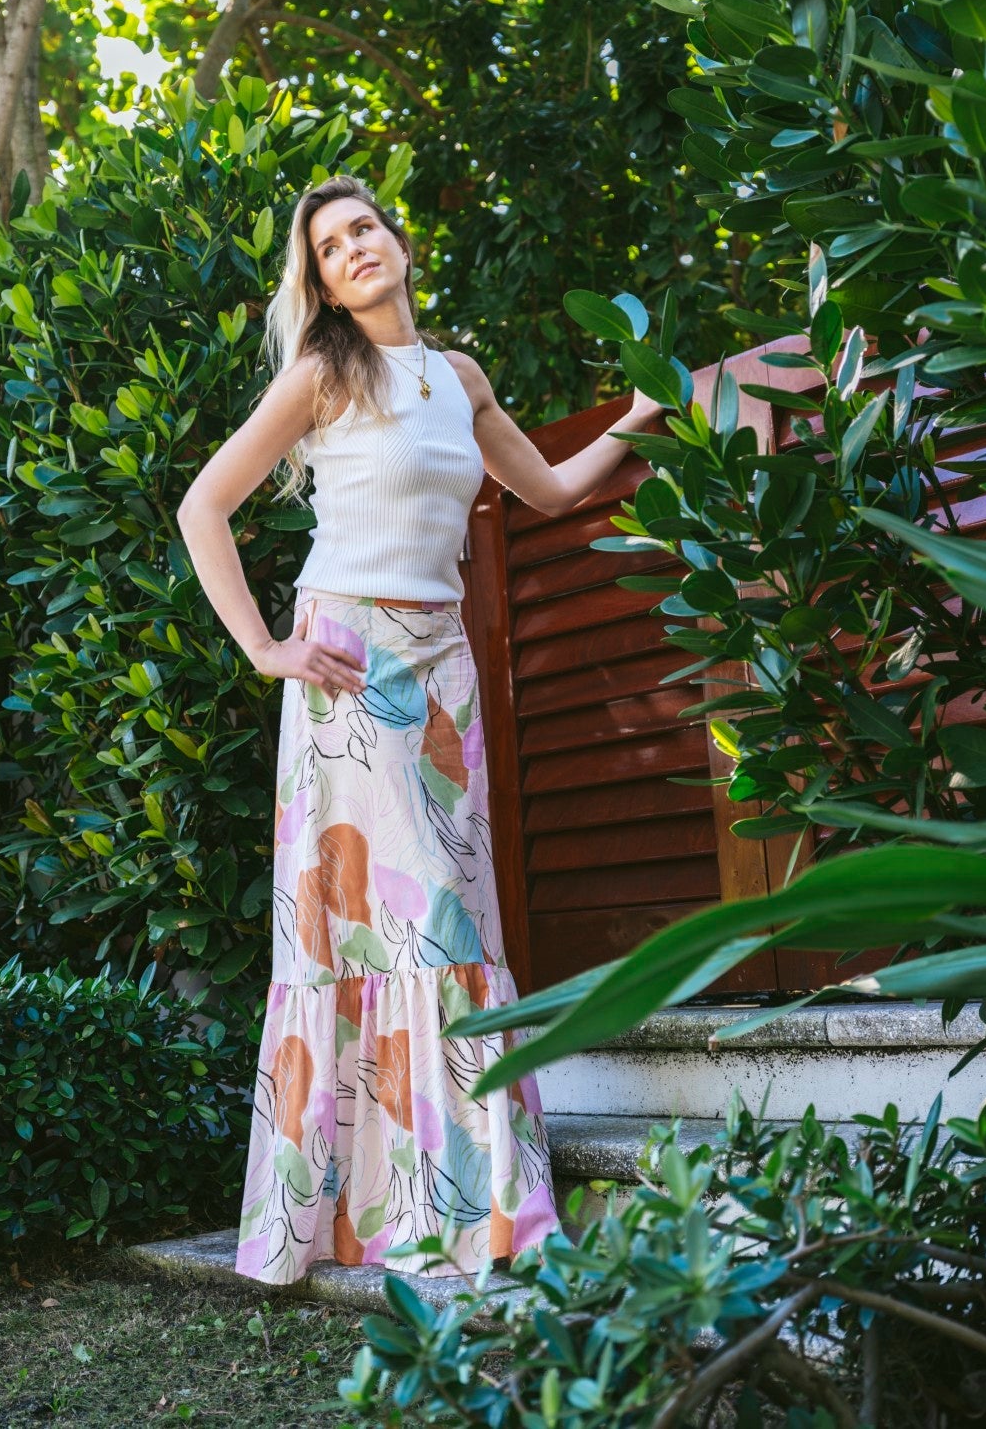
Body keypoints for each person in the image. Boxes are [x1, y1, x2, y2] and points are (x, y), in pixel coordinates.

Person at [176, 173, 660, 1285]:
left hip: (443, 667)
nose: (353, 248)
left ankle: (465, 1202)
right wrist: (265, 648)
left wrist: (635, 421)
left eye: (365, 229)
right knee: (394, 924)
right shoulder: (321, 374)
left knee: (453, 922)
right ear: (321, 284)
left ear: (398, 244)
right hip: (349, 662)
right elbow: (205, 505)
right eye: (329, 246)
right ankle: (410, 1208)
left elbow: (545, 490)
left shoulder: (459, 376)